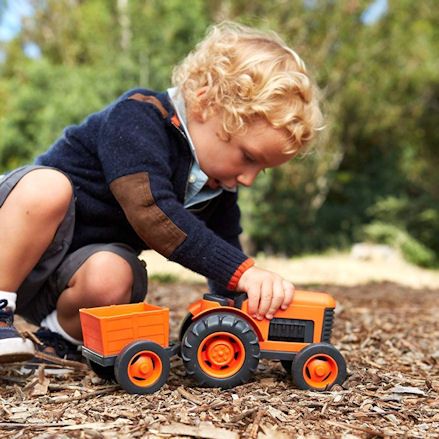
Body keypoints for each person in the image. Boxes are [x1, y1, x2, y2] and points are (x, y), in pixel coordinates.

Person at [0, 22, 322, 364]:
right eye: (248, 158)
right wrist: (244, 271)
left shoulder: (215, 182)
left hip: (62, 281)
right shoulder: (138, 117)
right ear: (206, 103)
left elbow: (224, 250)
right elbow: (151, 210)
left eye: (261, 170)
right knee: (47, 188)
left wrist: (247, 304)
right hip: (14, 246)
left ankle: (54, 340)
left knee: (115, 275)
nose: (248, 179)